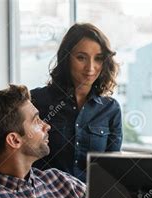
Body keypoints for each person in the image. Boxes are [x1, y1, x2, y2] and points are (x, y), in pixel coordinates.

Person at [31, 23, 122, 182]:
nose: (90, 68)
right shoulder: (37, 101)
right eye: (81, 57)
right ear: (66, 58)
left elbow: (111, 171)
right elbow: (21, 158)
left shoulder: (111, 109)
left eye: (98, 59)